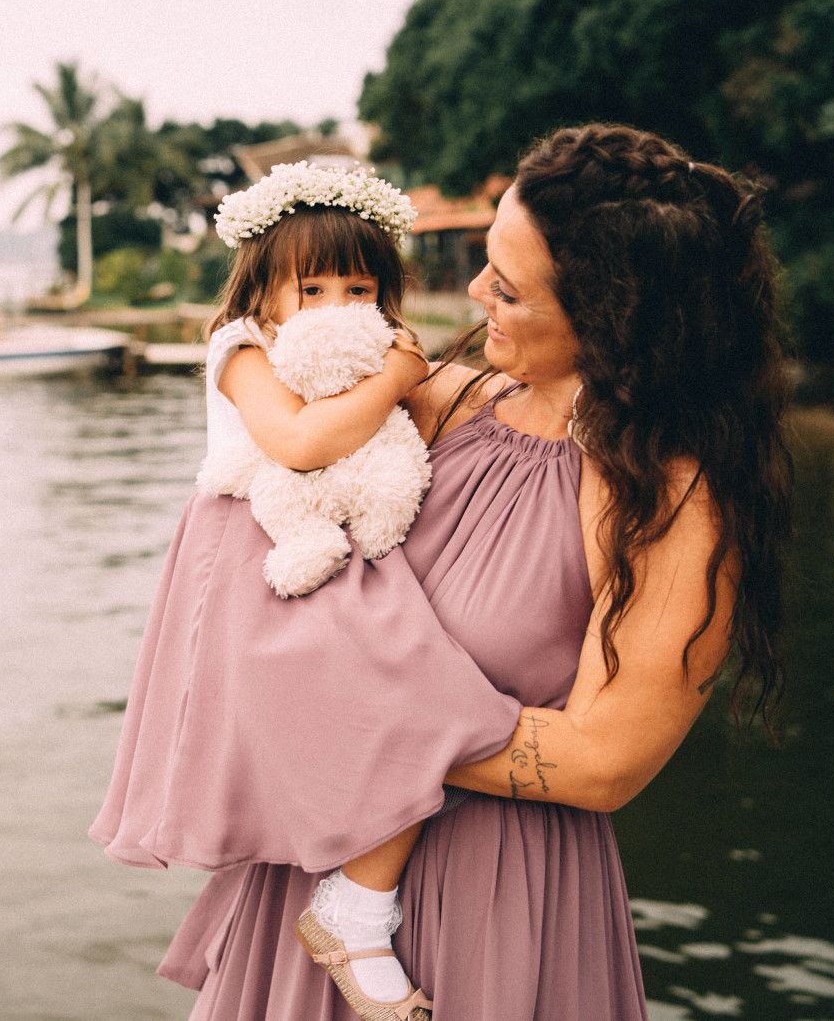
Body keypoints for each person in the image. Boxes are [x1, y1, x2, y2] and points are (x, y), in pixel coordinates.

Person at [153, 124, 794, 1020]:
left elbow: (605, 761)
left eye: (510, 285)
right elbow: (255, 495)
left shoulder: (671, 499)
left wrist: (343, 706)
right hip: (313, 863)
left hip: (492, 894)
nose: (474, 289)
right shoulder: (436, 403)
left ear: (611, 313)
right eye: (488, 260)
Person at [91, 162, 527, 1019]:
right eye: (313, 287)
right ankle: (354, 906)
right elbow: (295, 442)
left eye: (358, 288)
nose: (336, 307)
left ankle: (355, 896)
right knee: (413, 692)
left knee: (426, 688)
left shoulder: (372, 347)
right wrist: (394, 378)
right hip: (252, 545)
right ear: (264, 287)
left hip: (339, 538)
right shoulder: (241, 348)